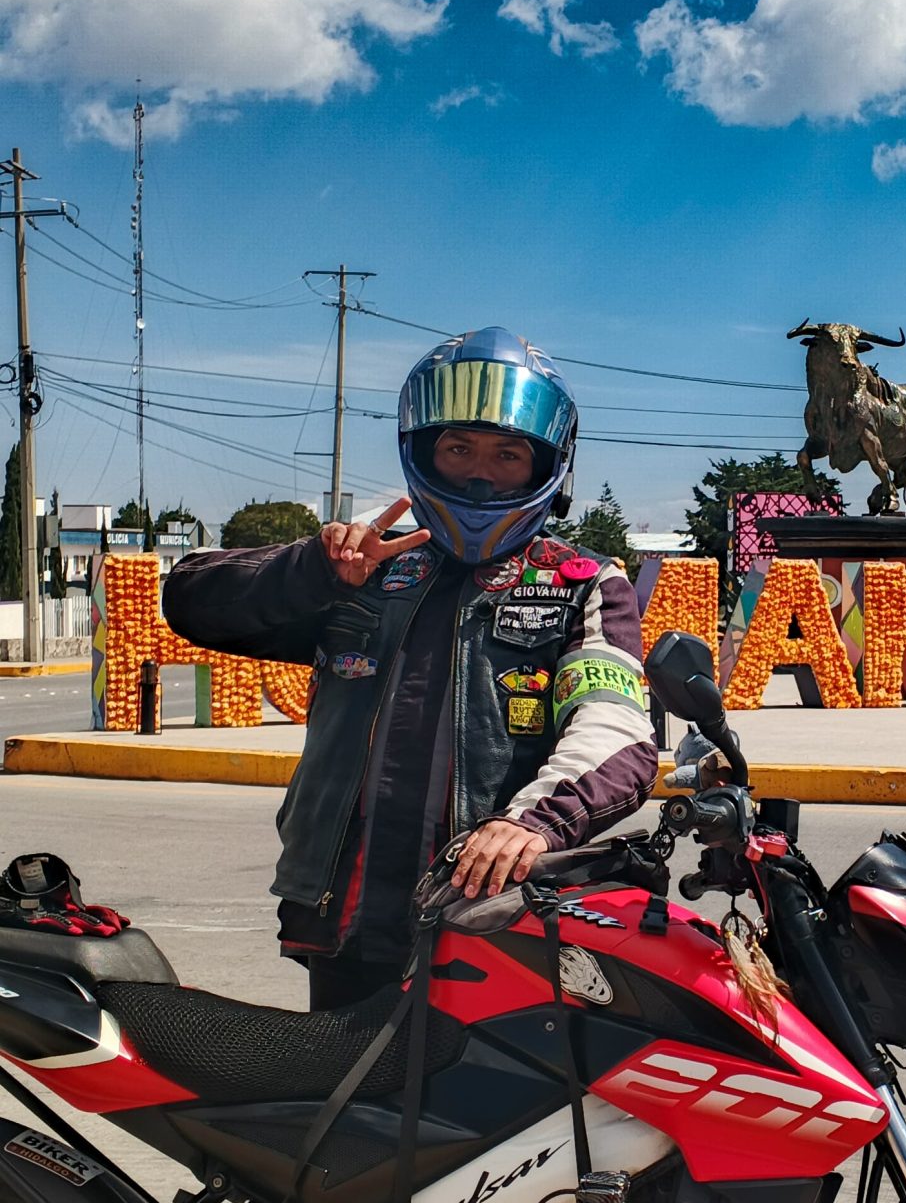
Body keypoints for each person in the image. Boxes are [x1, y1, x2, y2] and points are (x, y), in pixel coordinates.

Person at [164, 326, 657, 1009]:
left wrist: (533, 823)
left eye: (507, 454)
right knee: (343, 1078)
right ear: (423, 451)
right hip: (346, 912)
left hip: (494, 916)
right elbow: (192, 601)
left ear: (547, 466)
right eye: (458, 449)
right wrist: (313, 571)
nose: (480, 473)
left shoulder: (582, 584)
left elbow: (615, 728)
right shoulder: (365, 566)